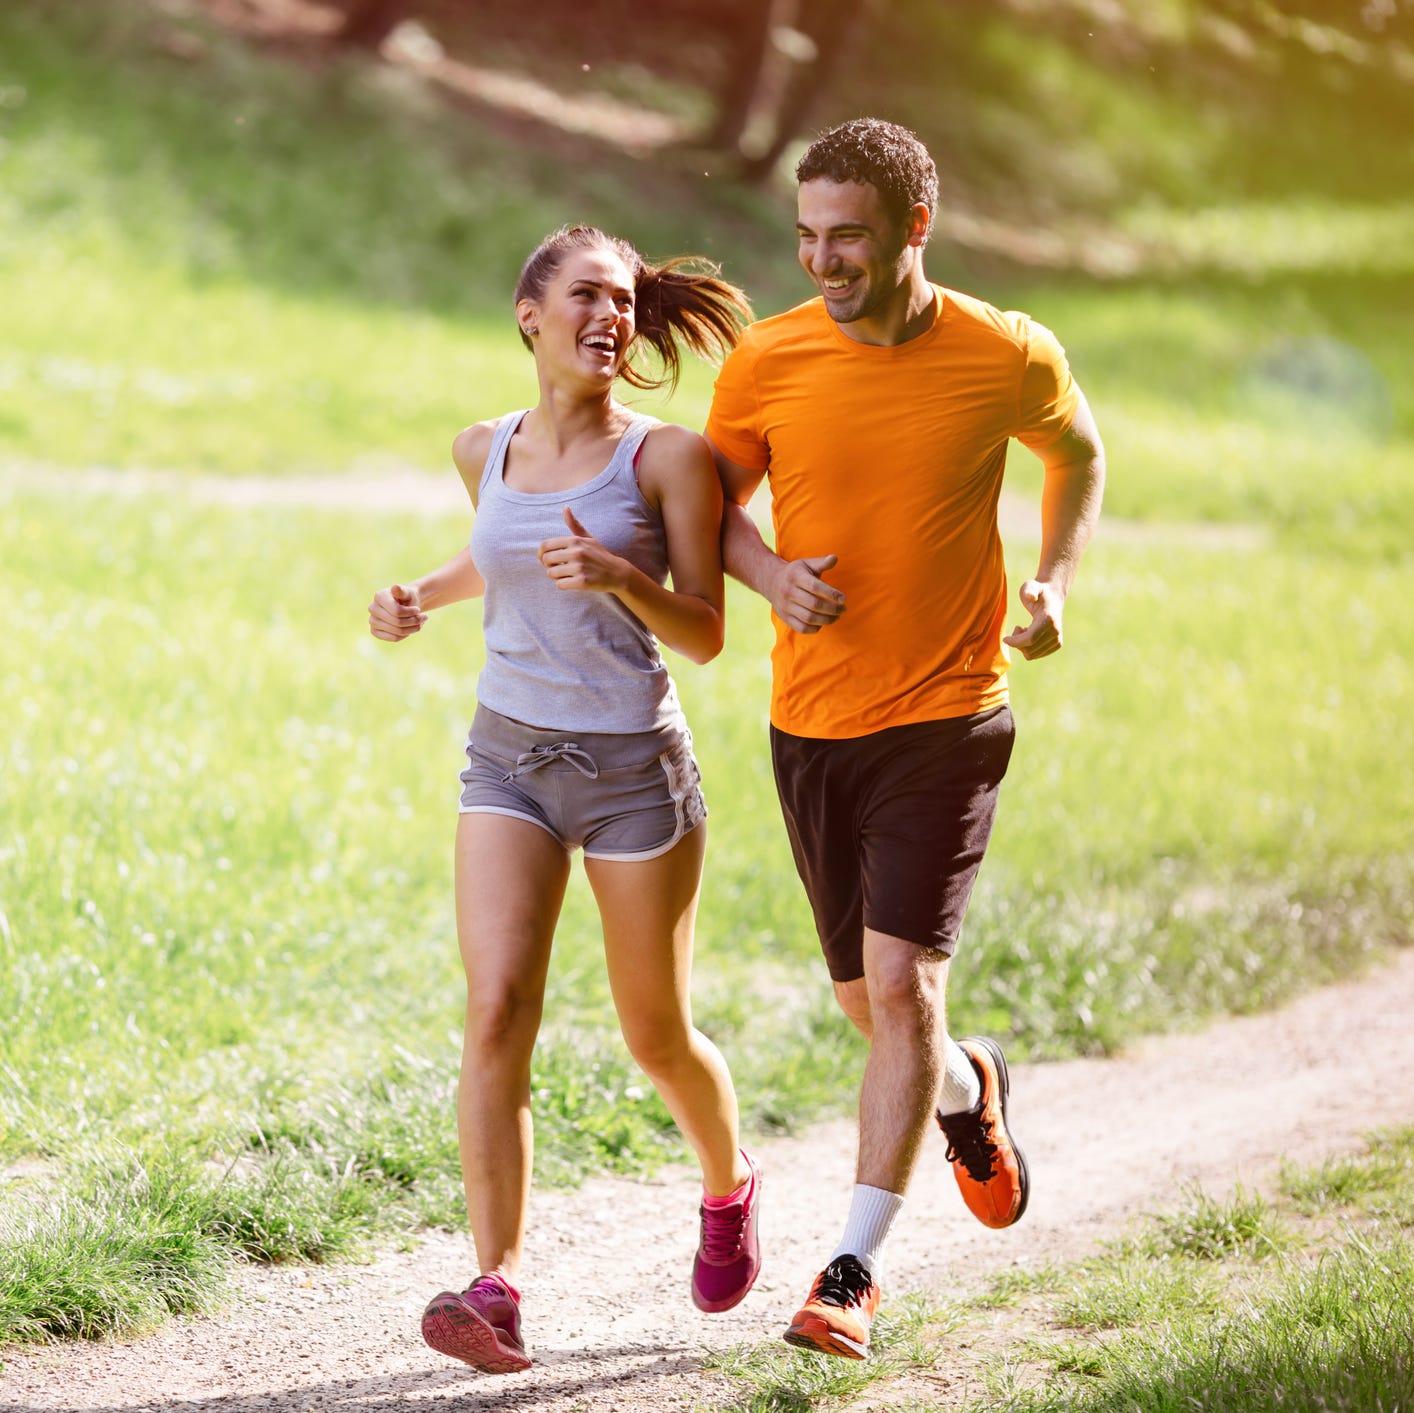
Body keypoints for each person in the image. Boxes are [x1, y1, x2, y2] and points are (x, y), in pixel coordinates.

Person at [705, 118, 1106, 1360]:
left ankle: (852, 1273)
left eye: (849, 238)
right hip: (811, 722)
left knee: (898, 986)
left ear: (913, 227)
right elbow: (707, 508)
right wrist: (769, 573)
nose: (823, 261)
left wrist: (1053, 583)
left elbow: (1077, 454)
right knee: (867, 1005)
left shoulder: (1004, 350)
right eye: (807, 236)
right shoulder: (768, 360)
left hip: (949, 714)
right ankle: (969, 1090)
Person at [368, 224, 762, 1375]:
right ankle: (495, 1287)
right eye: (588, 294)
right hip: (509, 759)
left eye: (625, 300)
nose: (612, 315)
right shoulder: (480, 447)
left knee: (655, 1035)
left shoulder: (666, 458)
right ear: (529, 313)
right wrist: (419, 594)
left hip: (635, 772)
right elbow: (500, 555)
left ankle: (729, 1183)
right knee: (496, 1009)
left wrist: (623, 577)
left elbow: (706, 633)